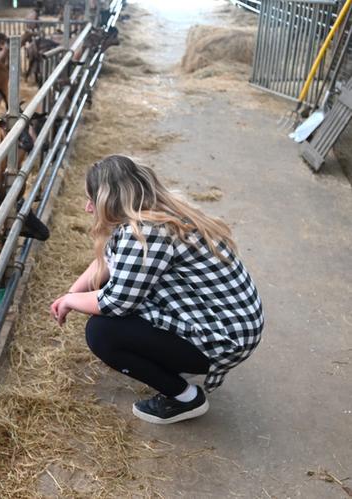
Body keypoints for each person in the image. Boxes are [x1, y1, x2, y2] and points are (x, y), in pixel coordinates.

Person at [50, 155, 263, 424]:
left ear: (111, 201)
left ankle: (185, 398)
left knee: (102, 332)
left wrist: (71, 301)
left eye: (93, 200)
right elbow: (109, 260)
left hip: (224, 337)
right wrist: (71, 294)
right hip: (229, 321)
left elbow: (115, 302)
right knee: (106, 302)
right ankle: (175, 361)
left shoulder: (145, 233)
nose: (87, 208)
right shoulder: (153, 208)